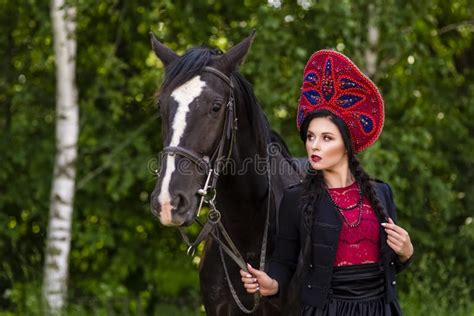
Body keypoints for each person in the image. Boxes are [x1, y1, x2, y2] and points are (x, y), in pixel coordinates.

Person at [240, 50, 414, 315]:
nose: (314, 146)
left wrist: (405, 252)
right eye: (311, 137)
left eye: (326, 138)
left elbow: (390, 265)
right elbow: (284, 262)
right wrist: (272, 283)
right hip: (326, 309)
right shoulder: (295, 199)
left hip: (381, 309)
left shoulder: (381, 193)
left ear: (346, 144)